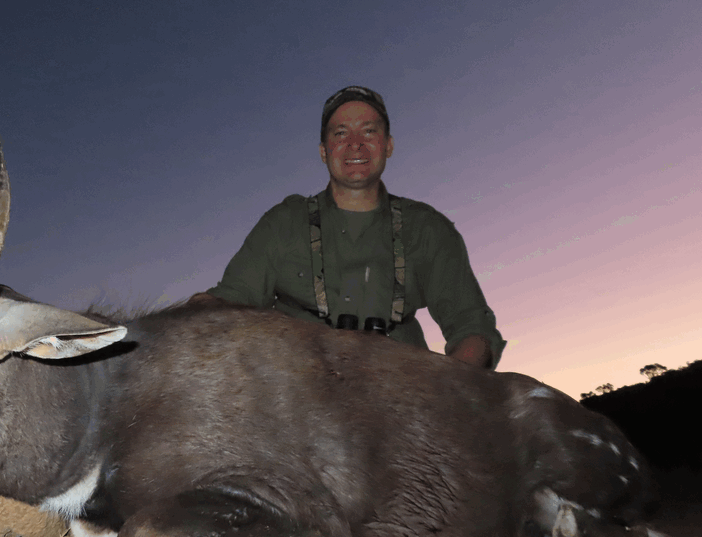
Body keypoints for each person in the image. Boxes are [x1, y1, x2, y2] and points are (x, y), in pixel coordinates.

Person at [201, 85, 505, 369]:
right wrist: (193, 313)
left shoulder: (427, 228)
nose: (355, 144)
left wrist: (452, 388)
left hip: (400, 388)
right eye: (340, 133)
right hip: (297, 388)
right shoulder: (283, 221)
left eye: (369, 132)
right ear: (323, 151)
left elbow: (471, 327)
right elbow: (230, 302)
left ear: (388, 145)